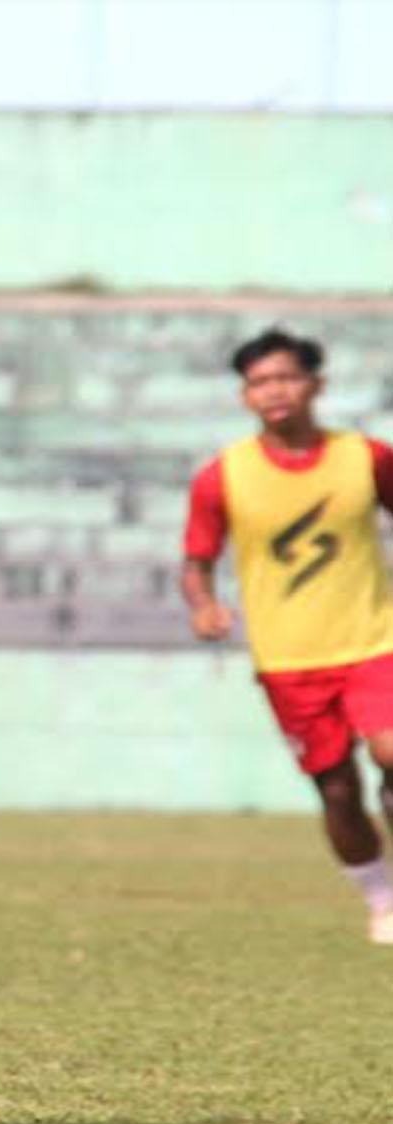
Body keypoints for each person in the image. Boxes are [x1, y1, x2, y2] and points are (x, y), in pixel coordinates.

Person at [183, 327, 393, 945]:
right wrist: (204, 605)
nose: (273, 391)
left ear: (315, 385)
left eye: (286, 377)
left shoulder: (367, 458)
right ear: (245, 396)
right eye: (259, 383)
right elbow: (196, 561)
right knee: (338, 789)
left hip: (375, 642)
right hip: (289, 659)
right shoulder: (223, 476)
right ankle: (382, 900)